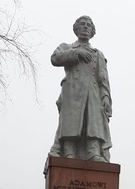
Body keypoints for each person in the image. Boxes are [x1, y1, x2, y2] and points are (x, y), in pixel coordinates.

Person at [49, 15, 112, 162]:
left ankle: (93, 151)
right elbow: (55, 58)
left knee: (93, 123)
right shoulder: (67, 47)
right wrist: (76, 53)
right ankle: (69, 151)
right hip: (72, 91)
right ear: (76, 29)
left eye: (88, 25)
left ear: (92, 31)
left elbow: (103, 78)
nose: (85, 27)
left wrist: (106, 96)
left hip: (93, 93)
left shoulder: (98, 54)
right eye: (82, 24)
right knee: (71, 122)